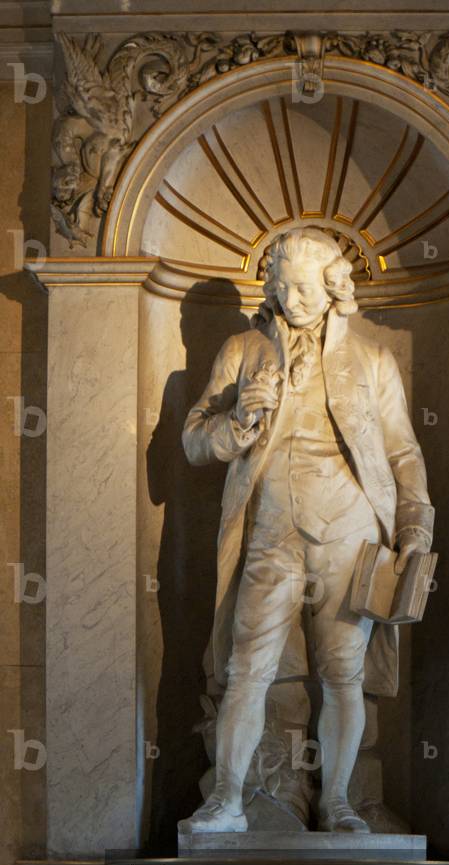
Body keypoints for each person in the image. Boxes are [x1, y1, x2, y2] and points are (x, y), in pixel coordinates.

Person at [181, 228, 433, 833]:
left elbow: (403, 452)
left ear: (331, 288)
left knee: (344, 673)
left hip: (348, 535)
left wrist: (415, 522)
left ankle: (340, 801)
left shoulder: (371, 361)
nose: (291, 298)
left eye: (304, 286)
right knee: (247, 668)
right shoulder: (243, 350)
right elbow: (194, 441)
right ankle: (229, 799)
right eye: (282, 285)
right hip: (270, 531)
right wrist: (240, 420)